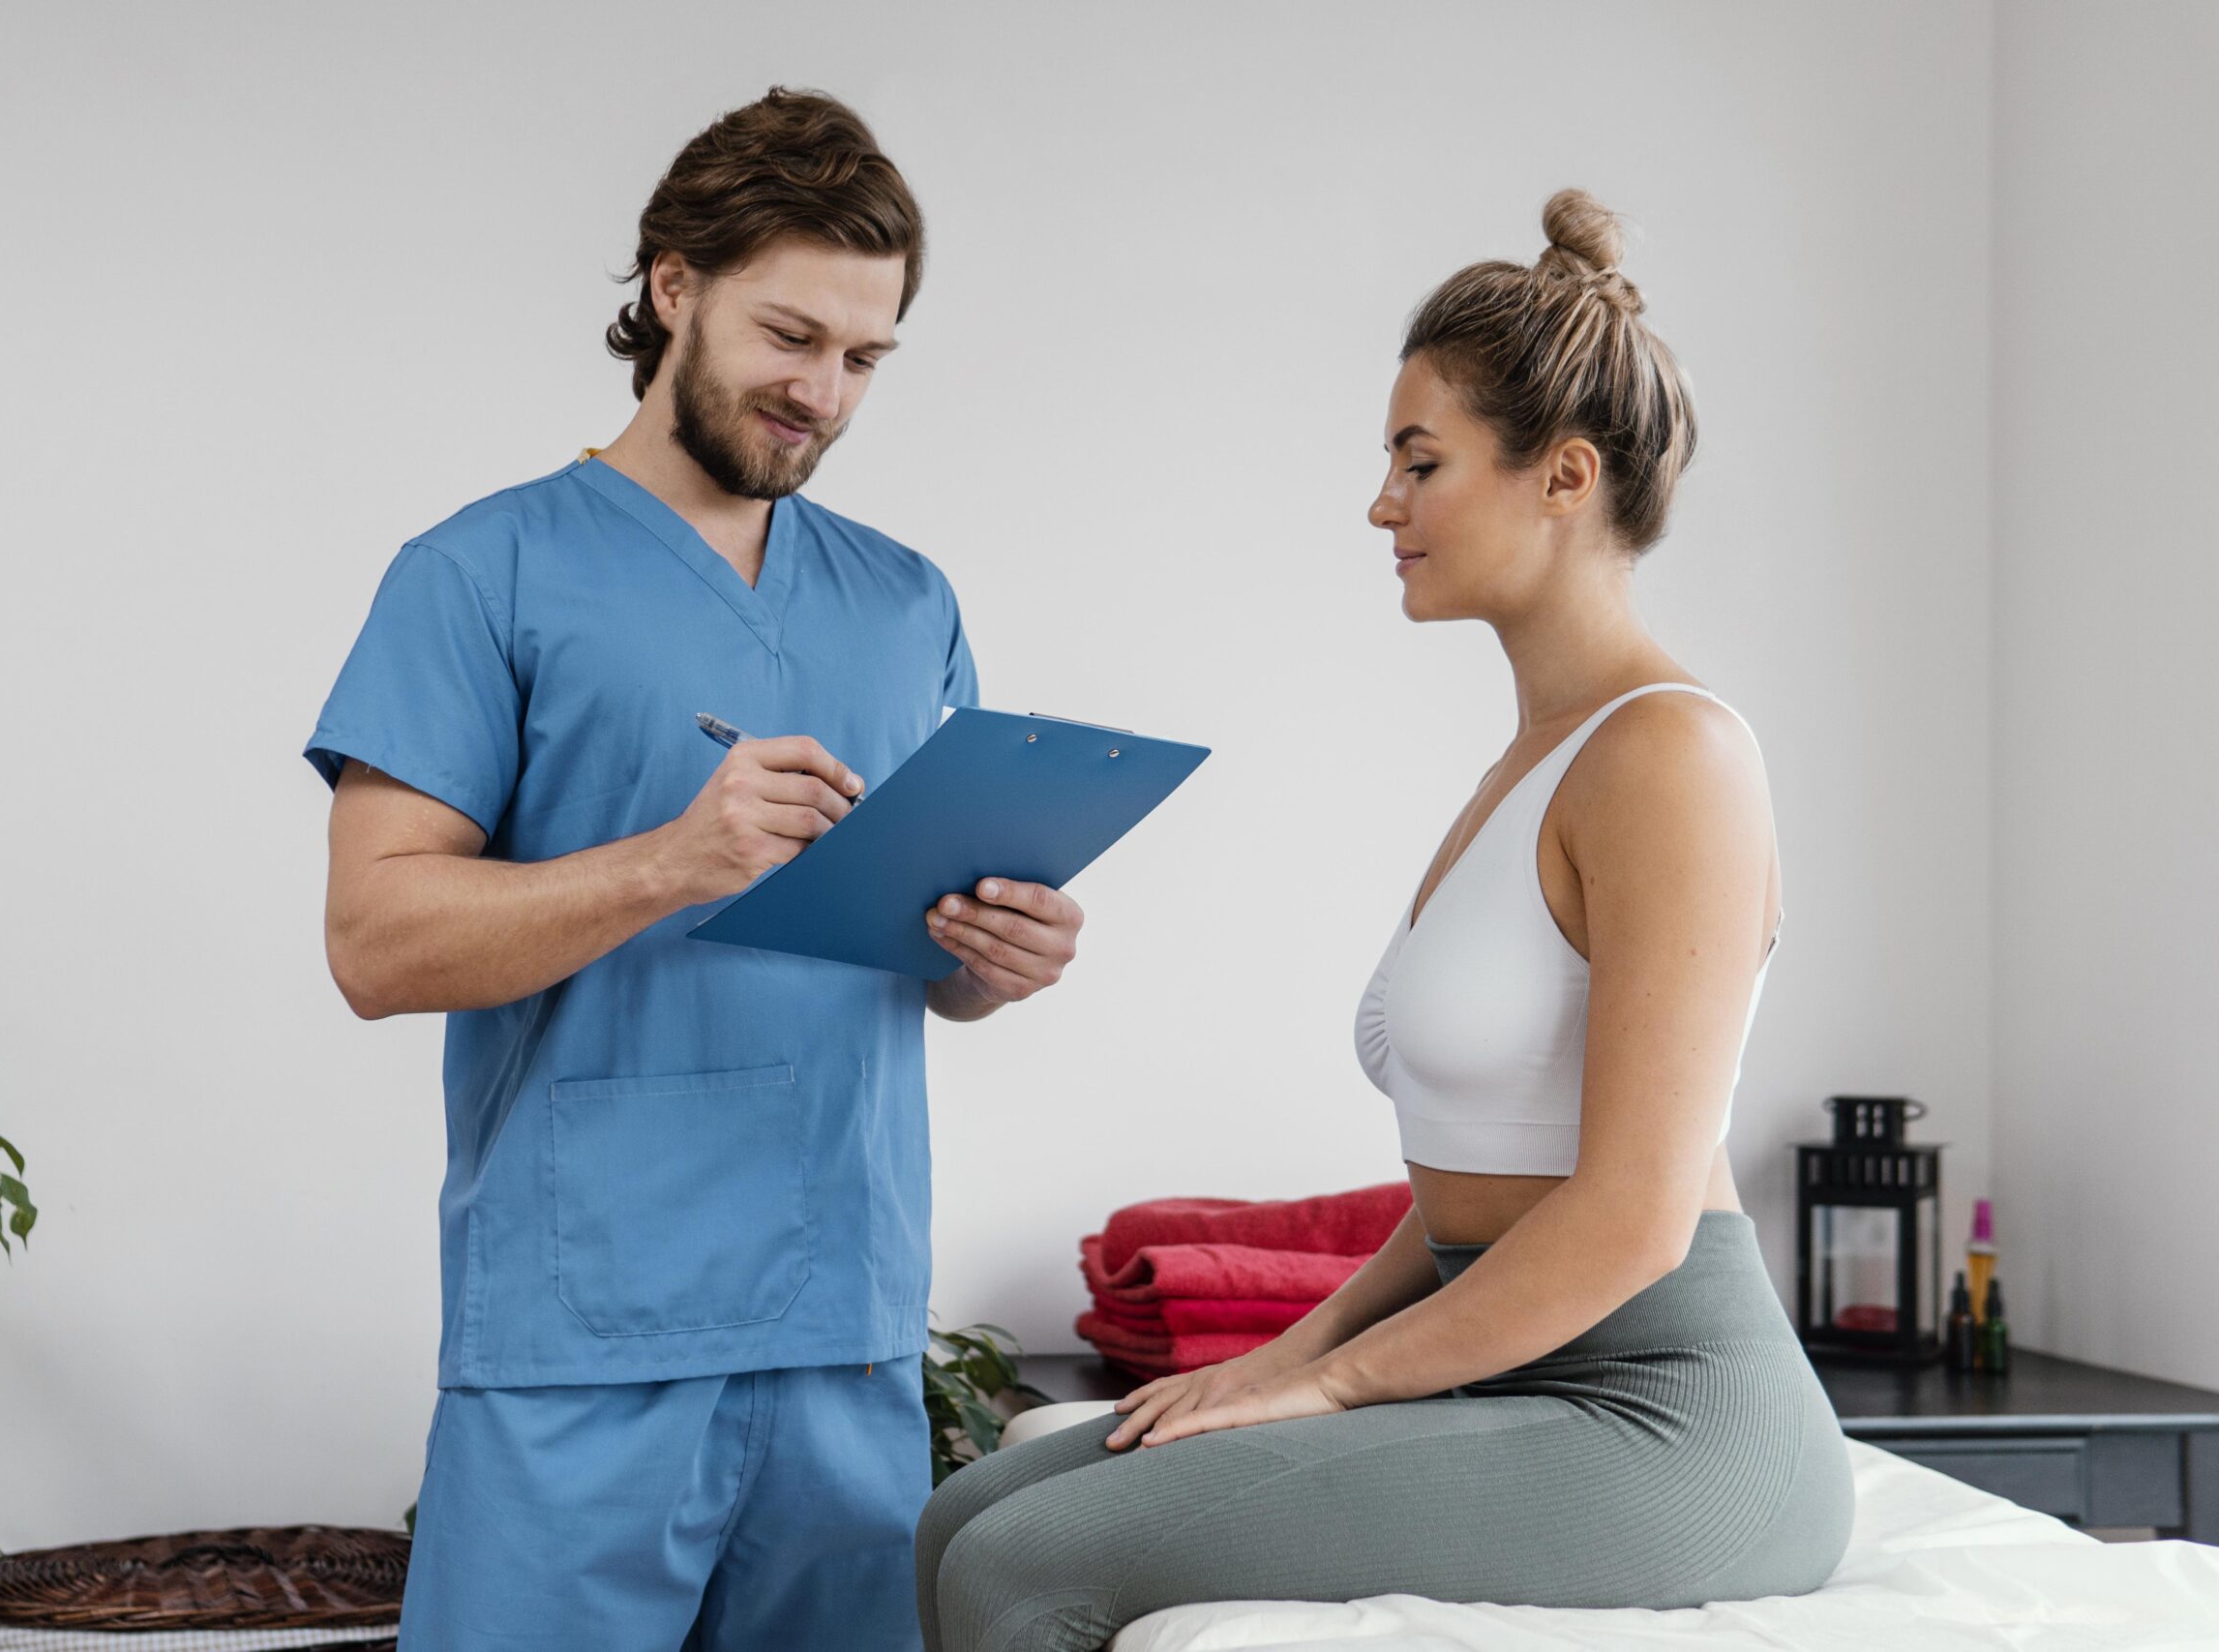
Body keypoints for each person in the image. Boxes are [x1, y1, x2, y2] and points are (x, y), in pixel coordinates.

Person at [914, 189, 1853, 1650]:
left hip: (1673, 1419)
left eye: (1421, 462)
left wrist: (1333, 1385)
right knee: (967, 1512)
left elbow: (1630, 1215)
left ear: (1564, 476)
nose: (1381, 504)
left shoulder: (1676, 758)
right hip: (1525, 1368)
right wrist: (1285, 1354)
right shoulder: (1527, 769)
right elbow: (1477, 1185)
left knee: (1018, 1564)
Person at [302, 87, 1086, 1652]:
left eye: (864, 359)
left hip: (844, 1340)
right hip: (579, 1354)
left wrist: (992, 955)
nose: (823, 394)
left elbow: (927, 972)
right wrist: (669, 859)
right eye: (791, 337)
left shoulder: (905, 602)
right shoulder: (481, 574)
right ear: (674, 288)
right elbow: (375, 943)